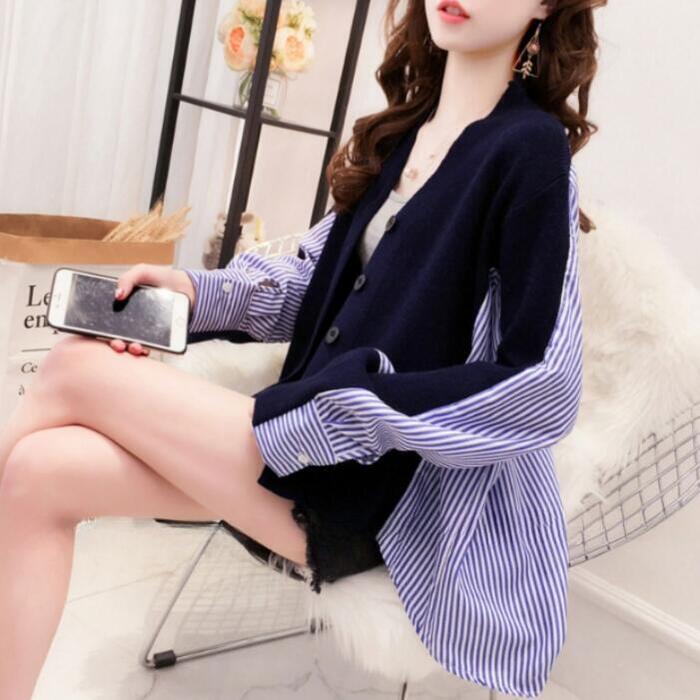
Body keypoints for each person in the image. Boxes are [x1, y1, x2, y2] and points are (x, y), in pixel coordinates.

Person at [0, 0, 604, 697]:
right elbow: (311, 282)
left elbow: (543, 385)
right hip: (290, 446)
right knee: (38, 473)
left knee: (73, 366)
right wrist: (194, 294)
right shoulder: (405, 136)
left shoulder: (530, 151)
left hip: (367, 485)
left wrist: (342, 410)